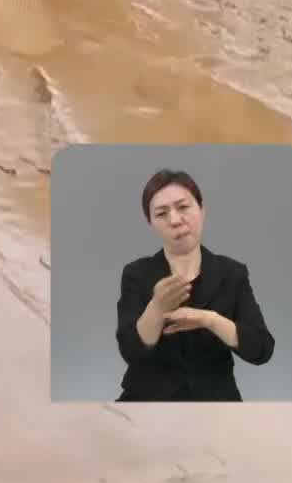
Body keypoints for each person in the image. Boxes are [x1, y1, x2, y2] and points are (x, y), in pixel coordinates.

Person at [115, 169, 275, 401]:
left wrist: (208, 320)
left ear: (202, 209)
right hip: (147, 402)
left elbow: (262, 349)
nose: (175, 220)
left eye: (183, 207)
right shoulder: (136, 273)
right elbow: (131, 352)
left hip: (216, 405)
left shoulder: (232, 273)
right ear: (150, 223)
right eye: (161, 214)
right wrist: (157, 307)